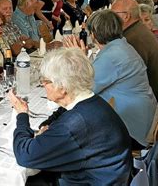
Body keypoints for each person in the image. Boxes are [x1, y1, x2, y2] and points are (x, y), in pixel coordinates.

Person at [8, 48, 132, 185]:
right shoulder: (91, 101)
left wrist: (22, 115)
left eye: (45, 81)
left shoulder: (74, 124)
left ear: (62, 87)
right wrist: (46, 127)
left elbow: (24, 155)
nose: (42, 84)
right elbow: (61, 113)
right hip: (110, 177)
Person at [63, 10, 157, 147]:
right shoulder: (121, 46)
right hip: (141, 119)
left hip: (132, 130)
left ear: (93, 35)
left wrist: (78, 59)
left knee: (72, 138)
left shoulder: (112, 56)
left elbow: (81, 92)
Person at [111, 0, 158, 98]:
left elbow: (123, 76)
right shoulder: (138, 30)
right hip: (147, 94)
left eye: (113, 14)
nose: (110, 18)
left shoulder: (133, 39)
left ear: (126, 16)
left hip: (145, 99)